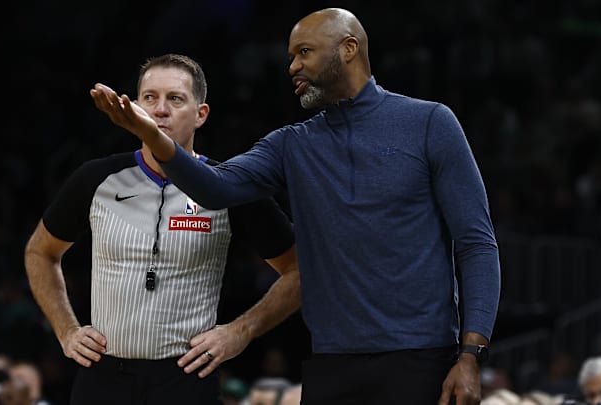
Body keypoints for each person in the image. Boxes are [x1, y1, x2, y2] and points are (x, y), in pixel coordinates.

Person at [90, 7, 501, 405]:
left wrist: (471, 355)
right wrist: (152, 134)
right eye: (290, 57)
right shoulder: (292, 143)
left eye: (304, 52)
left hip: (421, 359)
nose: (292, 67)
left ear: (348, 49)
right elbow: (215, 188)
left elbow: (477, 244)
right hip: (330, 363)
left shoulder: (429, 122)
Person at [25, 53, 301, 405]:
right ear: (135, 107)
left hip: (184, 378)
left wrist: (240, 331)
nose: (159, 110)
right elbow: (40, 251)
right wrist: (66, 331)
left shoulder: (228, 186)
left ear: (200, 114)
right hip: (102, 376)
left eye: (175, 99)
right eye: (149, 98)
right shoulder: (96, 179)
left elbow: (299, 270)